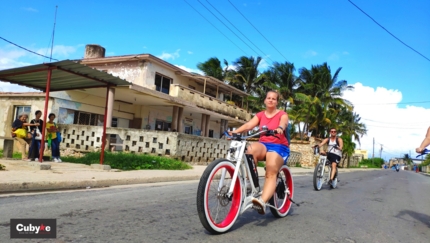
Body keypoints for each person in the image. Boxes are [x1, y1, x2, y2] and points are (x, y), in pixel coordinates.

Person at [228, 90, 289, 215]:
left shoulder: (282, 114)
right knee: (250, 150)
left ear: (277, 102)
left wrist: (280, 128)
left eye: (274, 98)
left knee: (271, 168)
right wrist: (235, 133)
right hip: (264, 144)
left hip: (278, 146)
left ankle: (262, 201)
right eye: (269, 98)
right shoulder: (261, 115)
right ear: (265, 100)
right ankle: (251, 185)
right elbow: (249, 125)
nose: (271, 100)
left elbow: (284, 122)